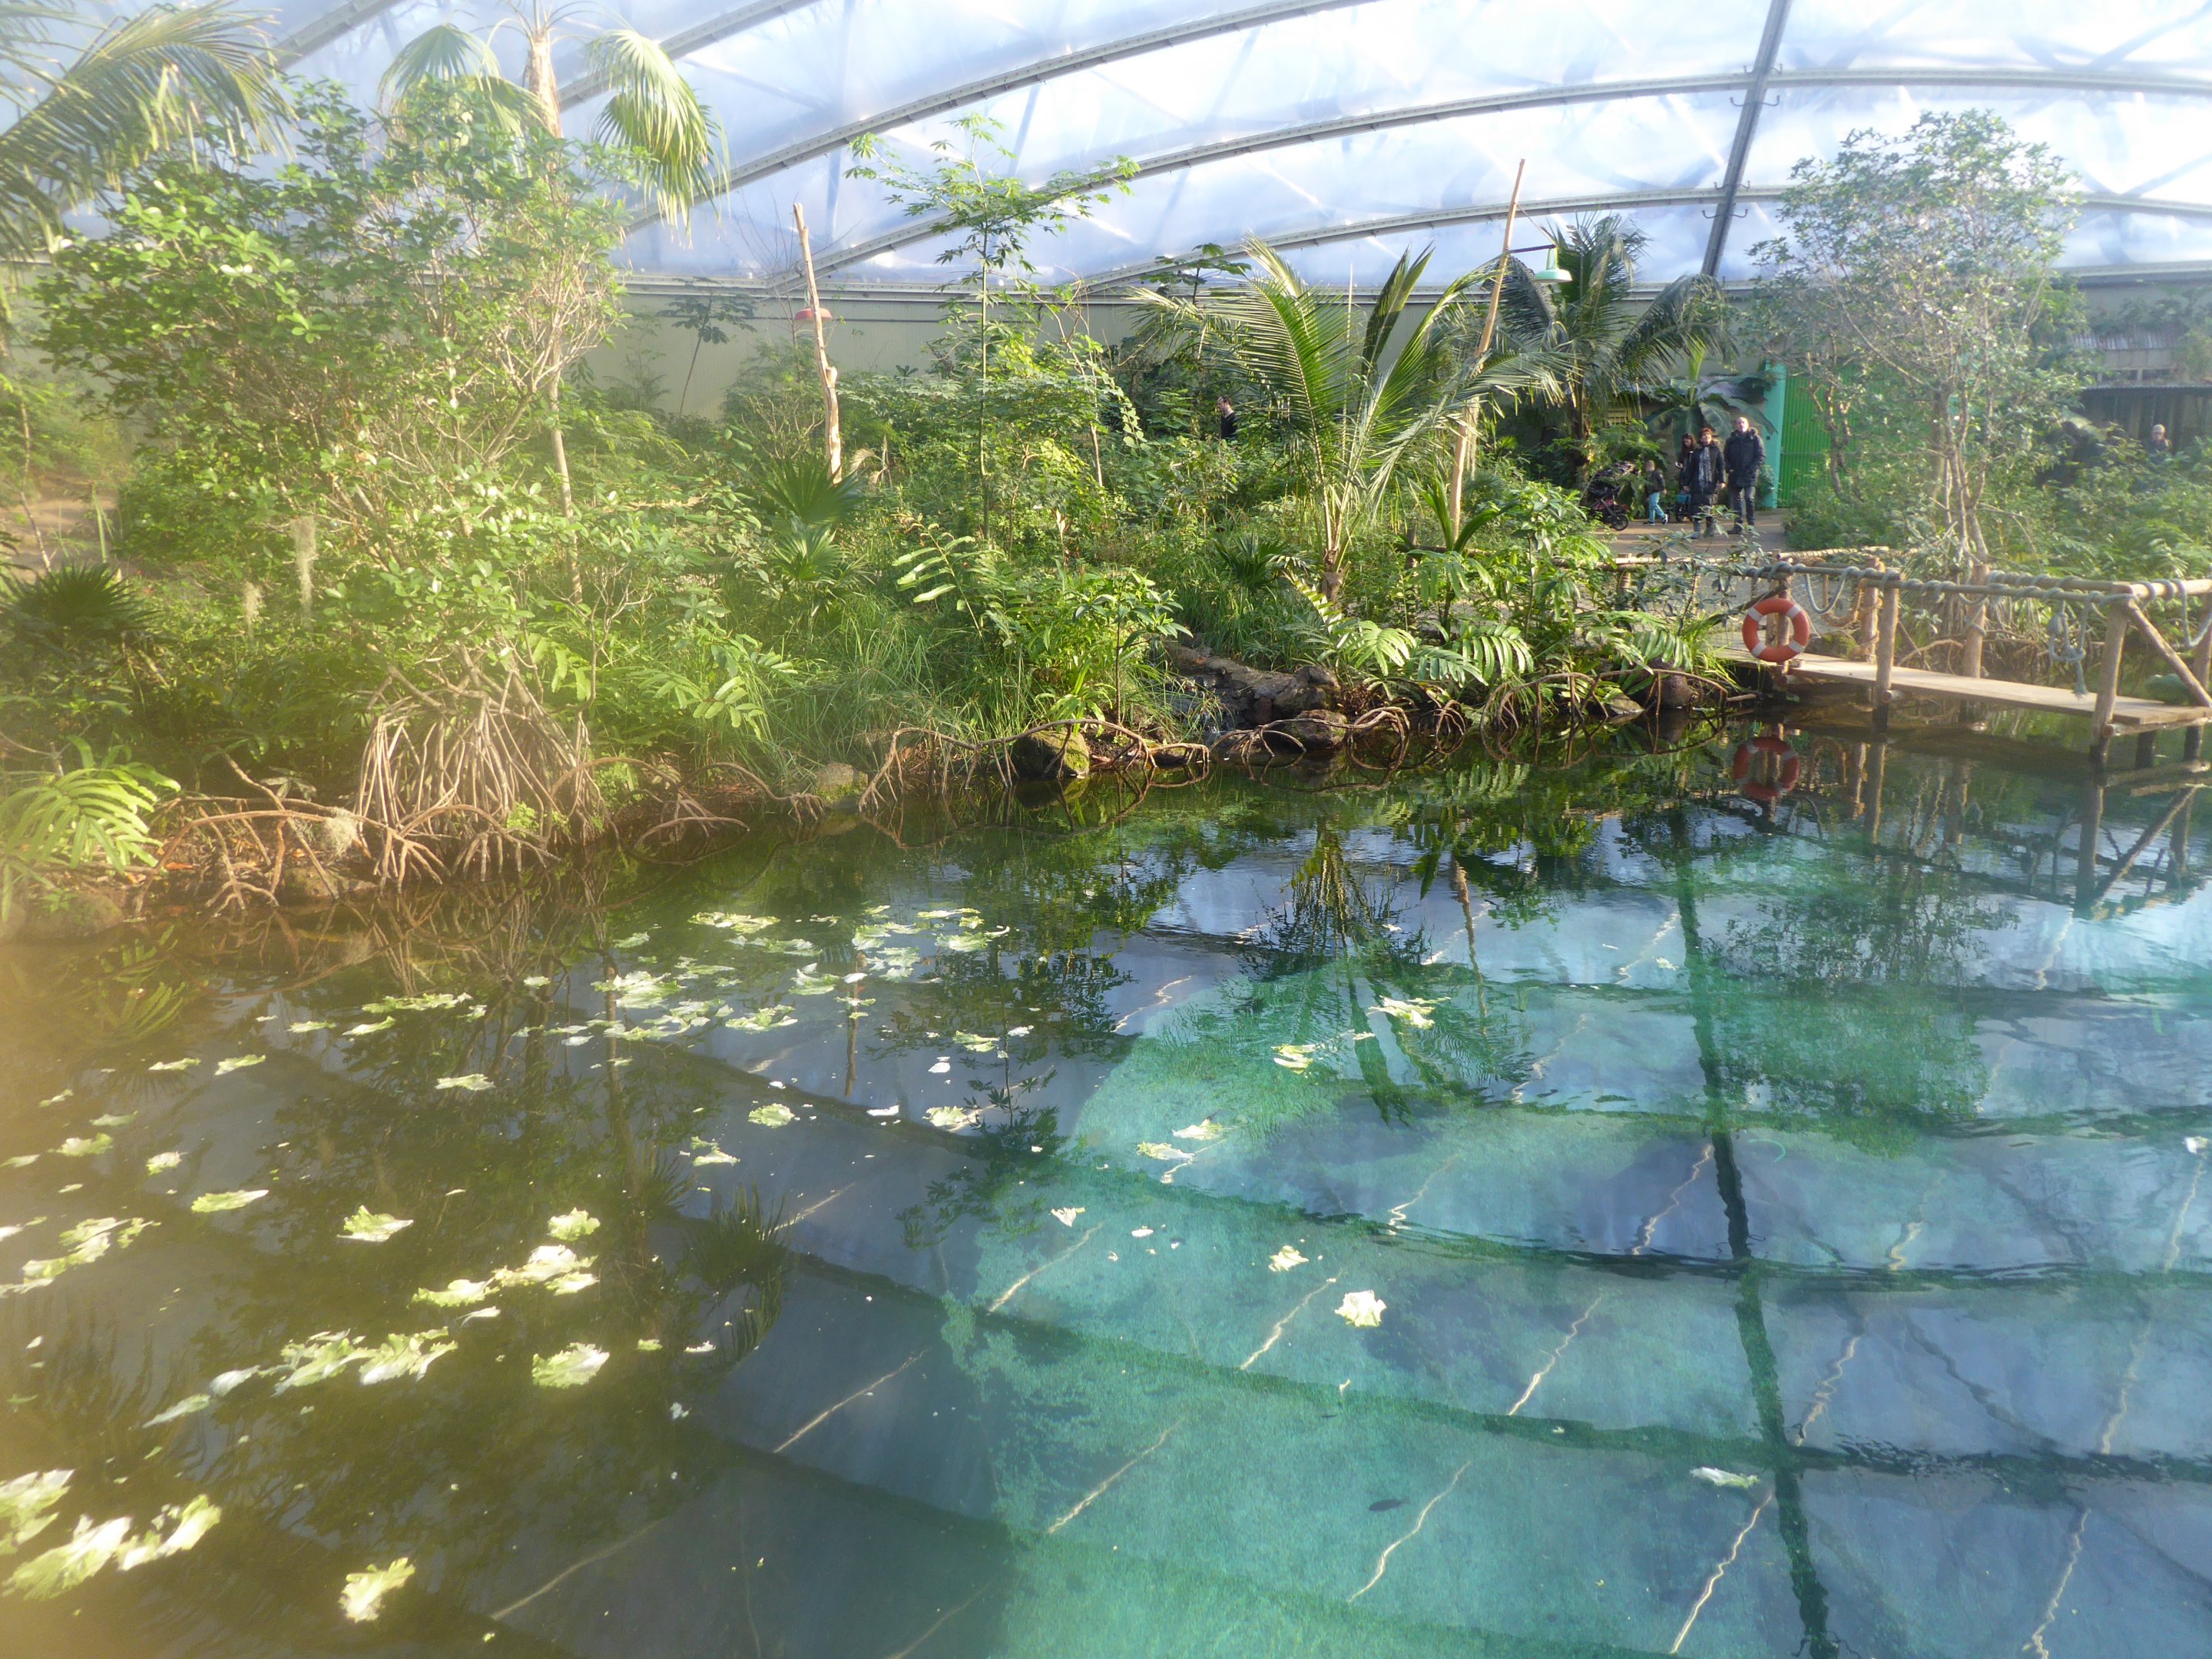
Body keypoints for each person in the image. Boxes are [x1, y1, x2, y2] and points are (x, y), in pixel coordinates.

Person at [1723, 415, 1766, 534]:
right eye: (1739, 423)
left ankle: (1751, 525)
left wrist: (1752, 469)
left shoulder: (1755, 439)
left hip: (1749, 475)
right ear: (1736, 425)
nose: (1741, 425)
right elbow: (1725, 457)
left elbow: (1761, 456)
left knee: (1749, 498)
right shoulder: (1731, 440)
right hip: (1735, 474)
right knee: (1735, 501)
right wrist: (1729, 468)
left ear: (1748, 425)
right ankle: (1738, 526)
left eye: (1743, 423)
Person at [1683, 426, 1724, 536]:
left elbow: (1720, 466)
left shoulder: (1716, 450)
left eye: (1708, 436)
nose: (1706, 437)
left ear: (1711, 437)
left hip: (1710, 483)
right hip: (1697, 483)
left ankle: (1710, 530)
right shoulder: (1696, 451)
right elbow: (1691, 468)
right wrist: (1686, 483)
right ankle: (1696, 531)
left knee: (1710, 506)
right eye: (1704, 436)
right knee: (1695, 507)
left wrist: (1722, 481)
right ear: (1701, 438)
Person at [1644, 459, 1667, 523]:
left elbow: (1661, 480)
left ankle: (1663, 516)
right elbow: (1646, 485)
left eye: (1647, 467)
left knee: (1654, 504)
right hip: (1650, 492)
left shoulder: (1657, 473)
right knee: (1651, 507)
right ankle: (1651, 520)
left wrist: (1663, 488)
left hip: (1655, 491)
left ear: (1650, 466)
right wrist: (1647, 495)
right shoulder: (1648, 475)